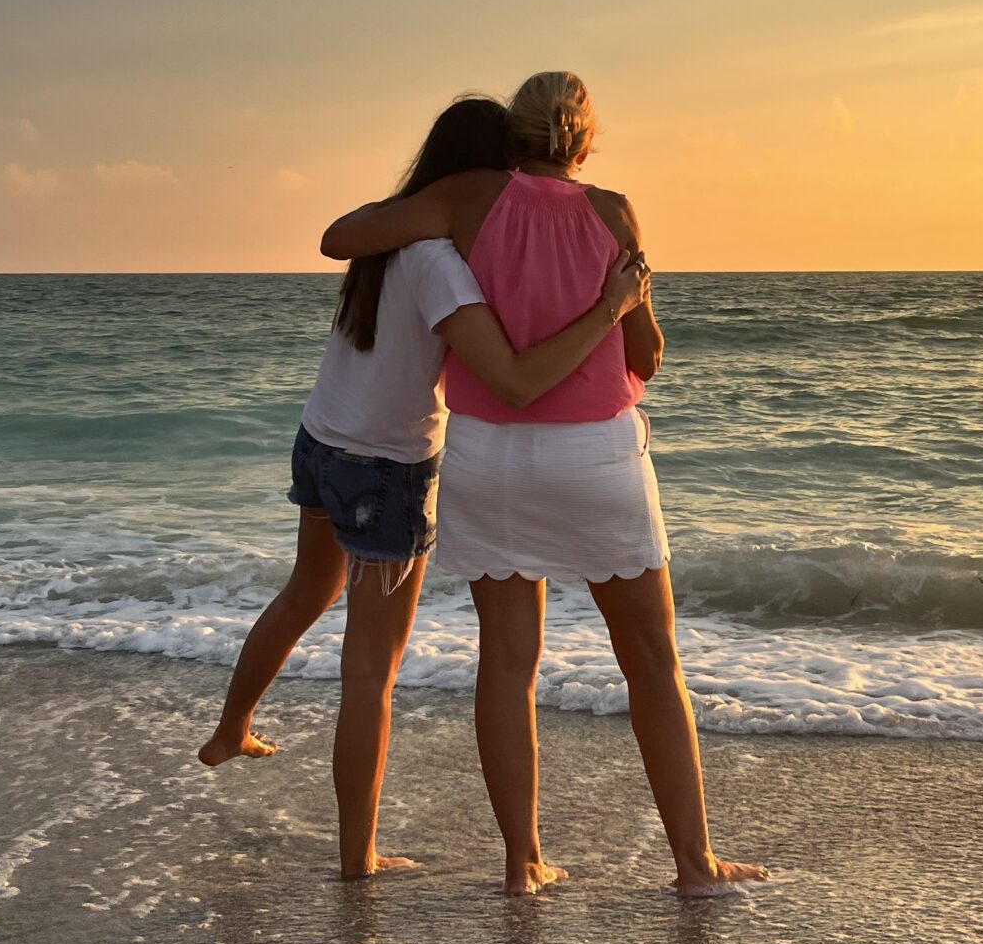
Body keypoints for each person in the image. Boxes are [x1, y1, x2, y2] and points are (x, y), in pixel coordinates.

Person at [321, 70, 766, 898]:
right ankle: (694, 865)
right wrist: (621, 302)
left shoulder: (465, 200)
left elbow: (344, 238)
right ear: (586, 139)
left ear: (514, 135)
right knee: (651, 664)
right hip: (594, 455)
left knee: (508, 665)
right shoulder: (614, 212)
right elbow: (646, 358)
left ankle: (523, 863)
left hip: (490, 455)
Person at [199, 94, 648, 881]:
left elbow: (341, 238)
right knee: (370, 667)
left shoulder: (388, 235)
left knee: (305, 593)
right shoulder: (440, 262)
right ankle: (356, 858)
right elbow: (508, 378)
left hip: (323, 441)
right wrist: (611, 309)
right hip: (387, 469)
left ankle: (232, 726)